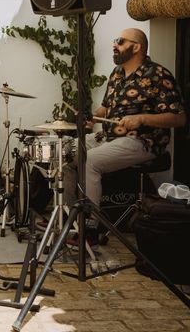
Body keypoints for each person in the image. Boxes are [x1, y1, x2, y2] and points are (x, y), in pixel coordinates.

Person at [64, 27, 186, 245]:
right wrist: (93, 117)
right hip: (108, 138)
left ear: (136, 47)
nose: (114, 45)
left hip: (142, 142)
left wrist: (142, 119)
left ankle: (91, 228)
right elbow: (105, 109)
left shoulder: (158, 74)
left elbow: (179, 118)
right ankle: (70, 220)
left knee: (89, 160)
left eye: (119, 41)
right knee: (64, 154)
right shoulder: (117, 74)